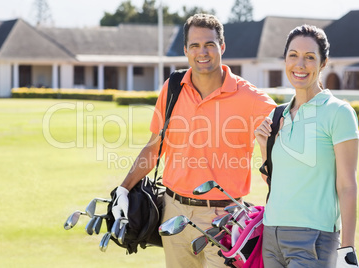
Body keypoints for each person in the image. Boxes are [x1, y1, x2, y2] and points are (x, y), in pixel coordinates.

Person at [112, 14, 276, 268]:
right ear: (186, 50)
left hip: (225, 219)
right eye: (195, 45)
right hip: (173, 211)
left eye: (210, 44)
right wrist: (124, 188)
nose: (203, 52)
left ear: (222, 47)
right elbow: (155, 147)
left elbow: (287, 135)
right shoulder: (173, 87)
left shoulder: (251, 98)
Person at [254, 24, 359, 267]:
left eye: (309, 57)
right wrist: (264, 148)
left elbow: (347, 186)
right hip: (271, 235)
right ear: (285, 60)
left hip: (314, 237)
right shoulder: (277, 114)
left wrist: (348, 251)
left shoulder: (338, 112)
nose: (300, 65)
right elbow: (276, 181)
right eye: (293, 55)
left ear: (323, 63)